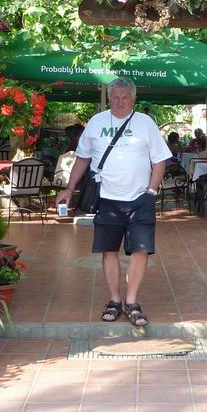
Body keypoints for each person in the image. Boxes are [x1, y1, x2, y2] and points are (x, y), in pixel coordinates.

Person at [55, 78, 171, 327]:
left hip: (140, 199)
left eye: (124, 97)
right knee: (109, 251)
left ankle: (132, 301)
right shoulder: (96, 122)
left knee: (140, 250)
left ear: (133, 99)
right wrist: (69, 188)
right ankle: (115, 300)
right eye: (115, 97)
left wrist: (151, 191)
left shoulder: (145, 123)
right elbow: (82, 158)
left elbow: (160, 159)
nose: (119, 102)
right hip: (106, 199)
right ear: (109, 99)